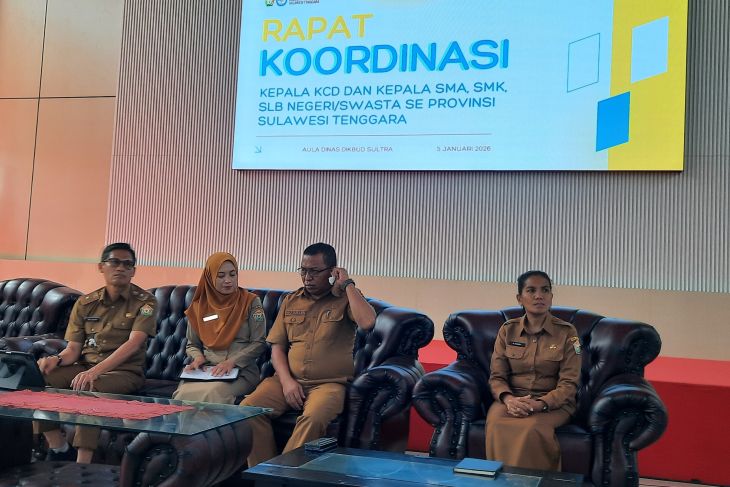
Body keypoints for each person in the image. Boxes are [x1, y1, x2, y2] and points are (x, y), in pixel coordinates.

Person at [241, 242, 376, 466]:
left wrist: (348, 283)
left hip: (328, 384)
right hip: (286, 381)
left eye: (314, 271)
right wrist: (287, 382)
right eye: (303, 270)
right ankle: (263, 472)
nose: (307, 277)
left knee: (313, 419)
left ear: (332, 271)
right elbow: (277, 347)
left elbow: (368, 321)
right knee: (248, 410)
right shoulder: (291, 300)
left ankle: (281, 474)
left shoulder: (346, 298)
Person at [34, 242, 157, 464]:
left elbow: (134, 343)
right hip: (84, 367)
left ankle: (82, 465)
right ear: (101, 267)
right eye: (114, 262)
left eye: (127, 264)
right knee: (38, 379)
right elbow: (73, 350)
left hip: (124, 373)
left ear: (133, 271)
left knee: (88, 387)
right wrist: (56, 360)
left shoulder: (145, 302)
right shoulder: (85, 303)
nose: (121, 268)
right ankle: (58, 448)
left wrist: (94, 372)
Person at [485, 270, 581, 471]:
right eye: (531, 290)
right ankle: (501, 482)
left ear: (551, 297)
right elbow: (497, 377)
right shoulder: (507, 330)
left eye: (545, 290)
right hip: (512, 399)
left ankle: (537, 482)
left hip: (554, 404)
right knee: (496, 422)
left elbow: (570, 383)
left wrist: (540, 404)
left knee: (531, 428)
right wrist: (509, 400)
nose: (539, 296)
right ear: (519, 298)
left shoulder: (568, 333)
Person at [172, 252, 266, 403]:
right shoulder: (198, 306)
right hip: (206, 370)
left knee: (212, 393)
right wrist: (198, 358)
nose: (228, 280)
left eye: (232, 274)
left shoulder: (251, 302)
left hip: (240, 371)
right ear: (210, 278)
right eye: (221, 276)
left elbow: (259, 342)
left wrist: (232, 361)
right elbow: (192, 344)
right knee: (182, 395)